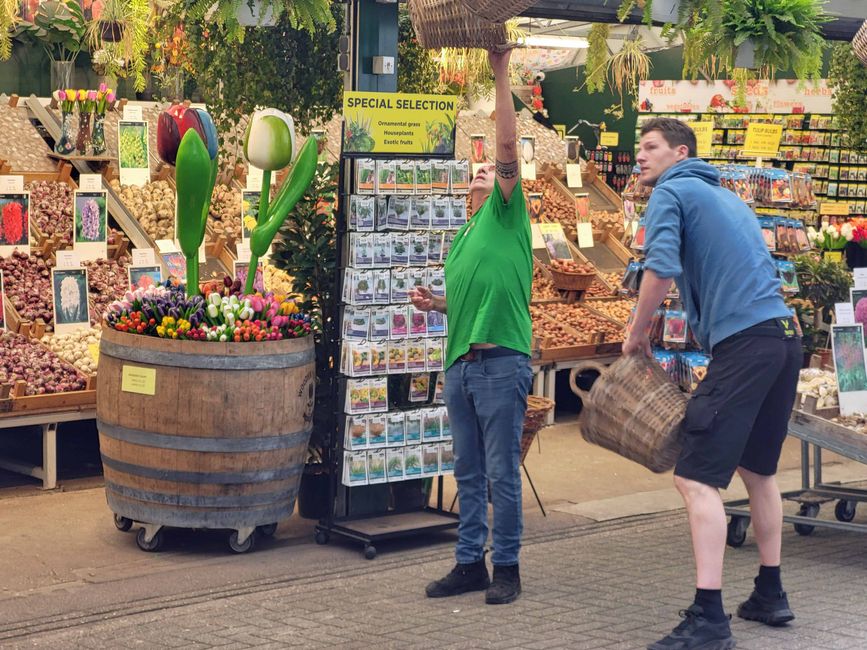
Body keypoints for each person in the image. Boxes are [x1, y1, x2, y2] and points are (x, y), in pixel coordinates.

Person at [623, 117, 802, 650]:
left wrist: (637, 334)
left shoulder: (669, 195)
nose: (641, 156)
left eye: (651, 147)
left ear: (680, 153)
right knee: (758, 470)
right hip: (783, 336)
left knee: (696, 478)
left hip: (745, 343)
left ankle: (708, 619)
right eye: (639, 148)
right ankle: (770, 595)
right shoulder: (727, 198)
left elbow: (659, 268)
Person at [410, 46, 533, 606]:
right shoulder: (463, 234)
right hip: (460, 365)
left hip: (501, 362)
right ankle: (469, 564)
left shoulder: (506, 211)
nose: (484, 167)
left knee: (503, 472)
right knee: (468, 472)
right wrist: (436, 305)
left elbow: (506, 144)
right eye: (477, 169)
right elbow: (472, 296)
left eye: (489, 167)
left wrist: (500, 68)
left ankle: (506, 566)